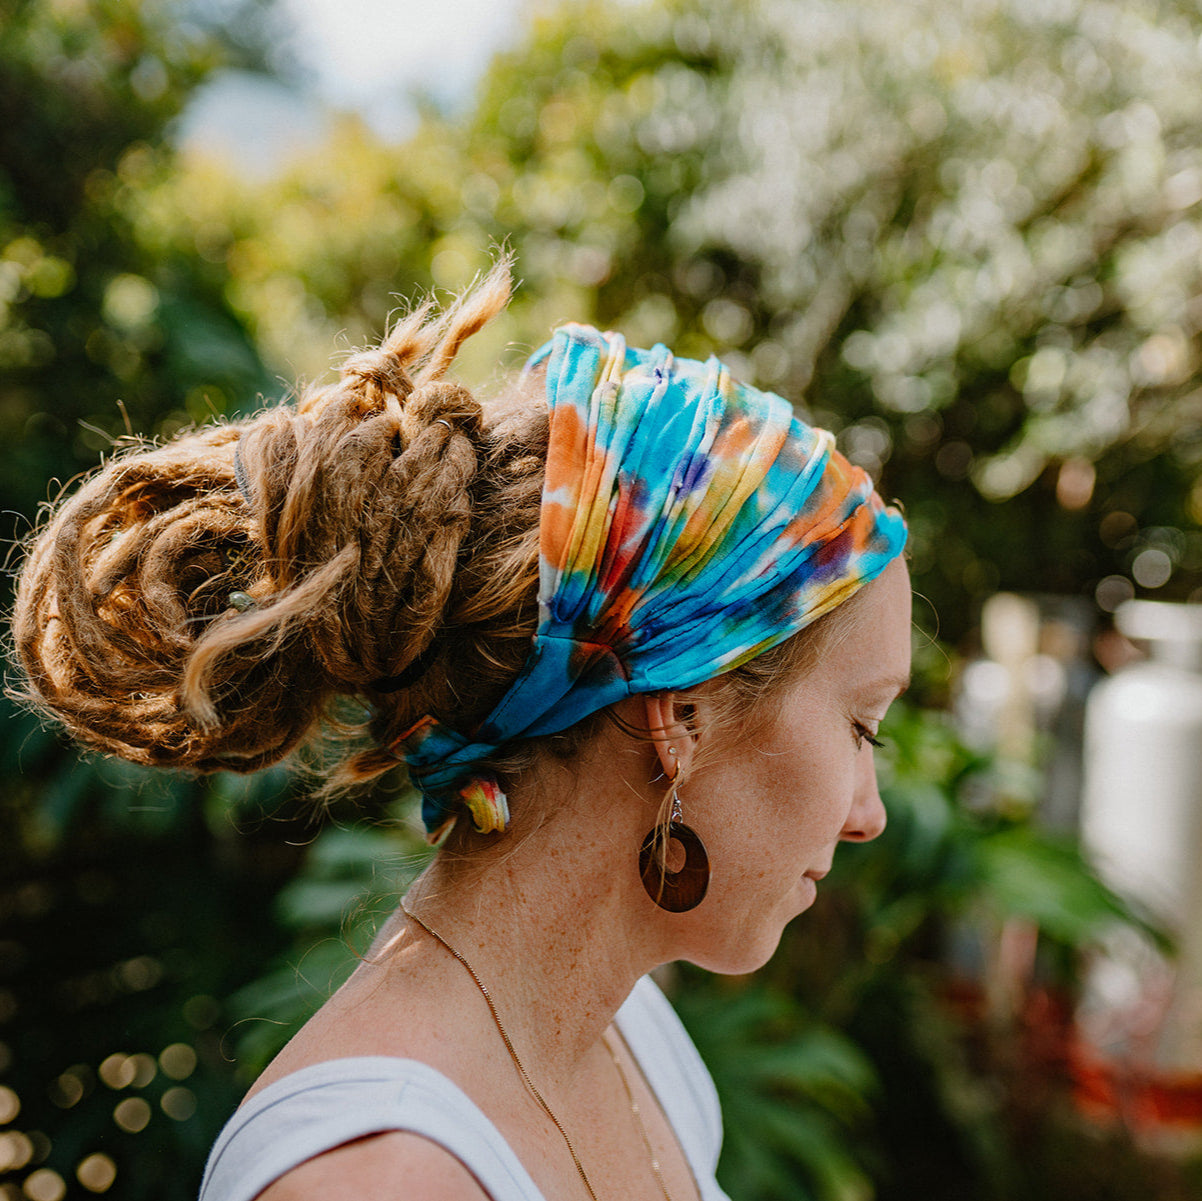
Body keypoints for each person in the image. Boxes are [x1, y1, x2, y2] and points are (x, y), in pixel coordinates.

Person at [13, 265, 911, 1201]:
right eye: (861, 726)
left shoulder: (639, 1041)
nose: (867, 814)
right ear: (681, 714)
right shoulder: (379, 1178)